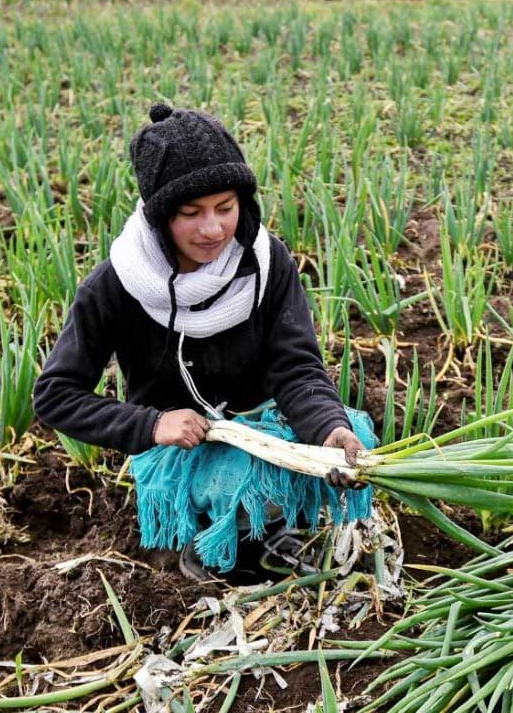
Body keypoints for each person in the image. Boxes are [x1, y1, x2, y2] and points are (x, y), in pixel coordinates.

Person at [32, 104, 370, 581]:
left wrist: (327, 429)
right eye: (191, 213)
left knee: (348, 438)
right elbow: (55, 395)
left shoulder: (266, 264)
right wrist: (153, 424)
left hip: (262, 428)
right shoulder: (117, 284)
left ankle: (267, 528)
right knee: (243, 477)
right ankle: (207, 543)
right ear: (159, 216)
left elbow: (295, 368)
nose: (213, 230)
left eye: (226, 208)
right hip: (180, 451)